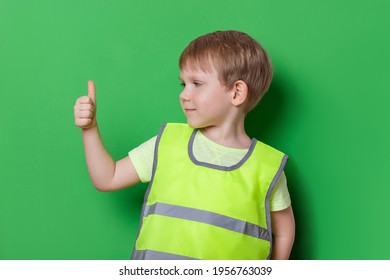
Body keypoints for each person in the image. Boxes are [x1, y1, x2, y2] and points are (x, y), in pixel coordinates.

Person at [74, 30, 295, 260]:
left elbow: (284, 231)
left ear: (237, 92)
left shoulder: (267, 169)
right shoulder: (166, 144)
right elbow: (107, 177)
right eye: (183, 84)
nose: (184, 95)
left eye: (197, 83)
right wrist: (90, 129)